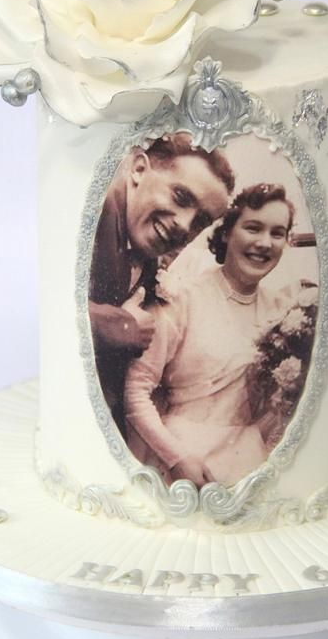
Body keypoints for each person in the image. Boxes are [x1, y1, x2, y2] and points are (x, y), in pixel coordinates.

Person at [124, 183, 310, 487]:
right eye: (253, 228)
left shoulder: (284, 311)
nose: (264, 243)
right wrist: (178, 459)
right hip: (182, 457)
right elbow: (136, 392)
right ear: (226, 233)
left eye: (277, 233)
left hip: (248, 459)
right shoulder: (182, 298)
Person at [89, 133, 235, 434]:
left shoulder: (148, 255)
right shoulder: (91, 213)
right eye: (181, 197)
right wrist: (123, 326)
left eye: (200, 221)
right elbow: (49, 307)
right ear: (139, 170)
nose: (184, 224)